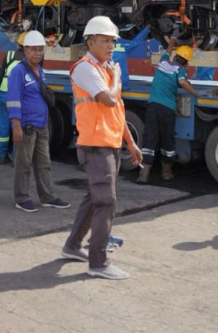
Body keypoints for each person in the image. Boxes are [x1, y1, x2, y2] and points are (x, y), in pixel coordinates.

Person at [61, 15, 143, 280]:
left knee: (94, 198)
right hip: (96, 145)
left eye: (113, 41)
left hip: (108, 143)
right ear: (90, 41)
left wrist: (130, 143)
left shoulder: (106, 70)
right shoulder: (85, 68)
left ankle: (72, 246)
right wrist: (117, 77)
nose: (111, 46)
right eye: (106, 41)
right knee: (106, 201)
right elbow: (108, 100)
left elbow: (118, 111)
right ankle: (99, 262)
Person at [7, 30, 70, 212]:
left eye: (40, 50)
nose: (37, 53)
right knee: (23, 164)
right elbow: (13, 99)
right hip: (26, 126)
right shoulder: (18, 71)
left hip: (41, 124)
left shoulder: (39, 70)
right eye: (33, 50)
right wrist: (16, 125)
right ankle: (22, 197)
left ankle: (47, 196)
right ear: (25, 50)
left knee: (44, 163)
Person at [138, 41, 196, 184]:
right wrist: (196, 93)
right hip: (167, 109)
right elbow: (182, 82)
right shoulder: (180, 70)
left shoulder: (163, 62)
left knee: (150, 137)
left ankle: (144, 174)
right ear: (185, 61)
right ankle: (166, 172)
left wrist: (171, 41)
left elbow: (167, 51)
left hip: (153, 106)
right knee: (167, 139)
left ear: (176, 56)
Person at [0, 33, 26, 164]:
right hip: (18, 97)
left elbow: (1, 74)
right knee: (17, 127)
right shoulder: (31, 59)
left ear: (18, 44)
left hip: (3, 94)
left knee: (2, 125)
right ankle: (16, 158)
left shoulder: (9, 55)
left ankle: (1, 156)